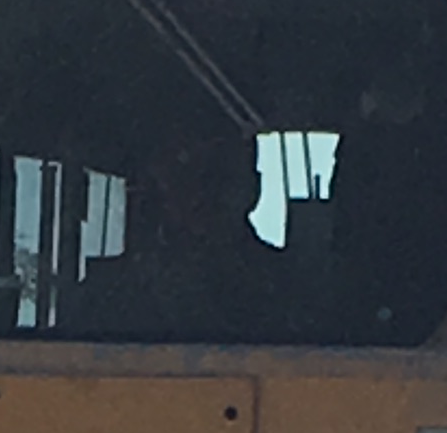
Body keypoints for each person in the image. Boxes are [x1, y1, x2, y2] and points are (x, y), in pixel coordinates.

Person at [71, 122, 287, 339]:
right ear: (160, 182)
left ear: (252, 186)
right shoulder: (109, 295)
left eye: (219, 175)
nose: (205, 193)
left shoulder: (286, 286)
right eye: (187, 171)